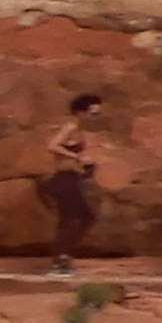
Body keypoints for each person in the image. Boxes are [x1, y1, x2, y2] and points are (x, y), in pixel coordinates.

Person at [41, 92, 106, 269]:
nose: (95, 117)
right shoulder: (70, 126)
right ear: (80, 111)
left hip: (71, 178)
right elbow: (52, 145)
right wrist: (77, 157)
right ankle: (60, 260)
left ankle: (62, 256)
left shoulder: (76, 129)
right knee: (79, 218)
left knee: (77, 218)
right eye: (93, 112)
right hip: (64, 180)